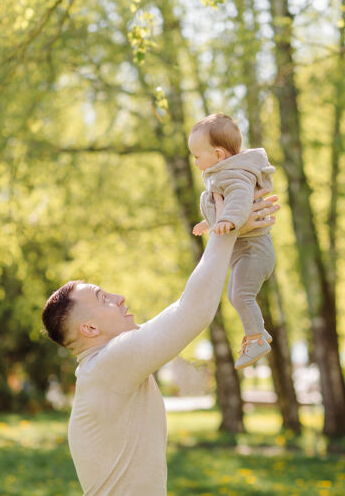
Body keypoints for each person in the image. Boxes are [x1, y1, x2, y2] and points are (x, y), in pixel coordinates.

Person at [41, 190, 279, 496]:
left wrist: (229, 230)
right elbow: (191, 312)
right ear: (89, 328)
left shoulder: (104, 370)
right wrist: (226, 228)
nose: (119, 298)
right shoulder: (109, 364)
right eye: (104, 298)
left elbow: (182, 311)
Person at [189, 113, 276, 369]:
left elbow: (238, 201)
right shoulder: (223, 174)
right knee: (236, 294)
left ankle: (256, 339)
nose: (195, 162)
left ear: (217, 156)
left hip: (254, 251)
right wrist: (212, 221)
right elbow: (225, 207)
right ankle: (259, 330)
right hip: (247, 251)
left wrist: (229, 220)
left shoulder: (235, 175)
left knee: (240, 295)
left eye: (197, 156)